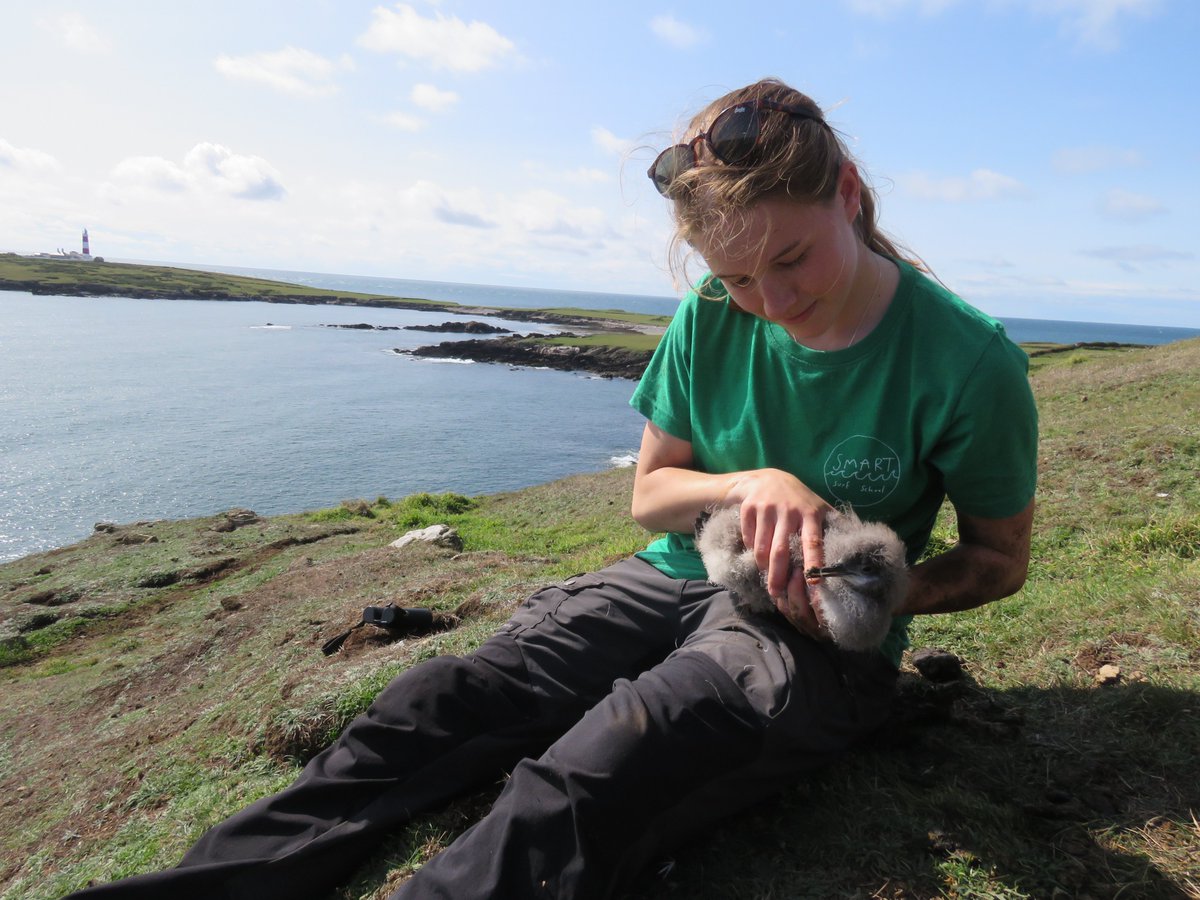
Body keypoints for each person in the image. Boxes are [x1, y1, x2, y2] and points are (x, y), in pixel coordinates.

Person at [67, 78, 1037, 900]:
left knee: (612, 758)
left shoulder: (967, 360)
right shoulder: (709, 315)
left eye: (791, 259)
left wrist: (864, 589)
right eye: (738, 276)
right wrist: (755, 480)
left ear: (851, 195)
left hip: (806, 636)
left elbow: (998, 561)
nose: (770, 303)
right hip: (669, 575)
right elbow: (653, 495)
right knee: (436, 705)